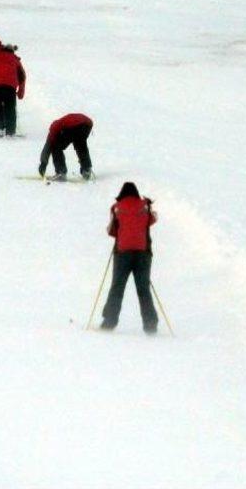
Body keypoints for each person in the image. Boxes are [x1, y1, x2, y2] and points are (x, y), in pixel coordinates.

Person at [101, 182, 159, 334]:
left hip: (122, 253)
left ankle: (109, 322)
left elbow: (112, 230)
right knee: (143, 289)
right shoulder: (145, 205)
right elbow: (152, 220)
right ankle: (150, 324)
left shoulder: (116, 207)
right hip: (143, 253)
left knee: (117, 288)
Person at [0, 43, 26, 136]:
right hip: (10, 87)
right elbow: (22, 76)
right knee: (10, 109)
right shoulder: (15, 60)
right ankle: (11, 131)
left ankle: (0, 128)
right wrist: (20, 93)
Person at [38, 113, 93, 180]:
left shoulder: (53, 129)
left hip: (74, 125)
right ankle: (86, 169)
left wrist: (43, 164)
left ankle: (61, 172)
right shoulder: (61, 123)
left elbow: (47, 147)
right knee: (80, 144)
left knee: (55, 146)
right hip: (87, 123)